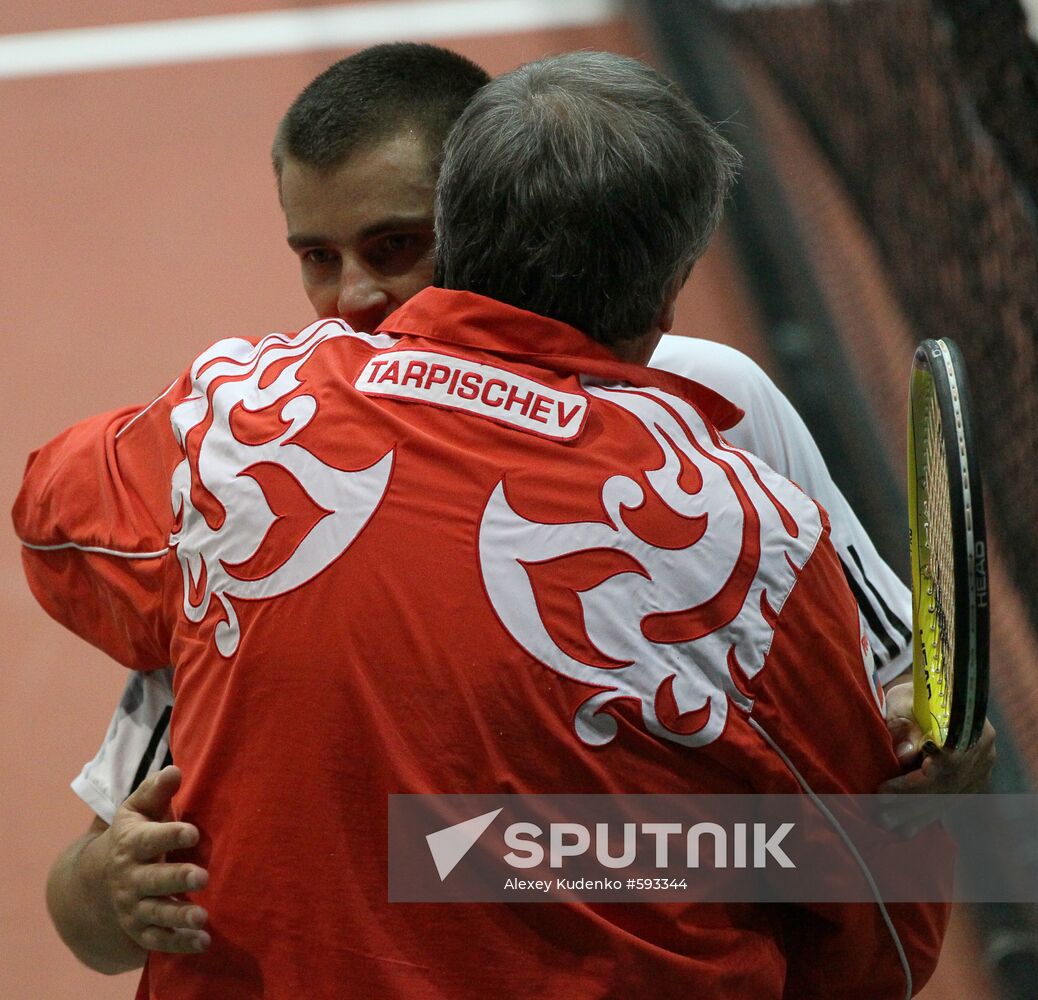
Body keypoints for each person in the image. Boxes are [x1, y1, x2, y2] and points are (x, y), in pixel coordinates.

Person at [16, 49, 952, 998]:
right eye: (315, 257)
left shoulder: (243, 430)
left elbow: (903, 747)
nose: (352, 302)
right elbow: (884, 918)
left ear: (471, 226)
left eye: (394, 247)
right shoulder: (254, 487)